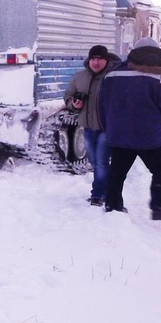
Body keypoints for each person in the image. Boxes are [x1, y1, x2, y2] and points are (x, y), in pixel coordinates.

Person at [97, 38, 161, 220]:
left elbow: (102, 105)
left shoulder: (112, 75)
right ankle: (159, 208)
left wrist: (108, 128)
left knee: (117, 172)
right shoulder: (158, 76)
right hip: (150, 136)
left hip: (119, 135)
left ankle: (113, 206)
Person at [63, 45, 120, 206]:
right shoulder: (80, 77)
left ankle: (97, 195)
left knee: (101, 162)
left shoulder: (113, 77)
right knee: (95, 162)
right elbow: (68, 95)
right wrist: (74, 104)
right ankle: (108, 190)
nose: (96, 62)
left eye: (100, 59)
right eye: (93, 59)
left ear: (106, 60)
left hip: (106, 128)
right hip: (88, 127)